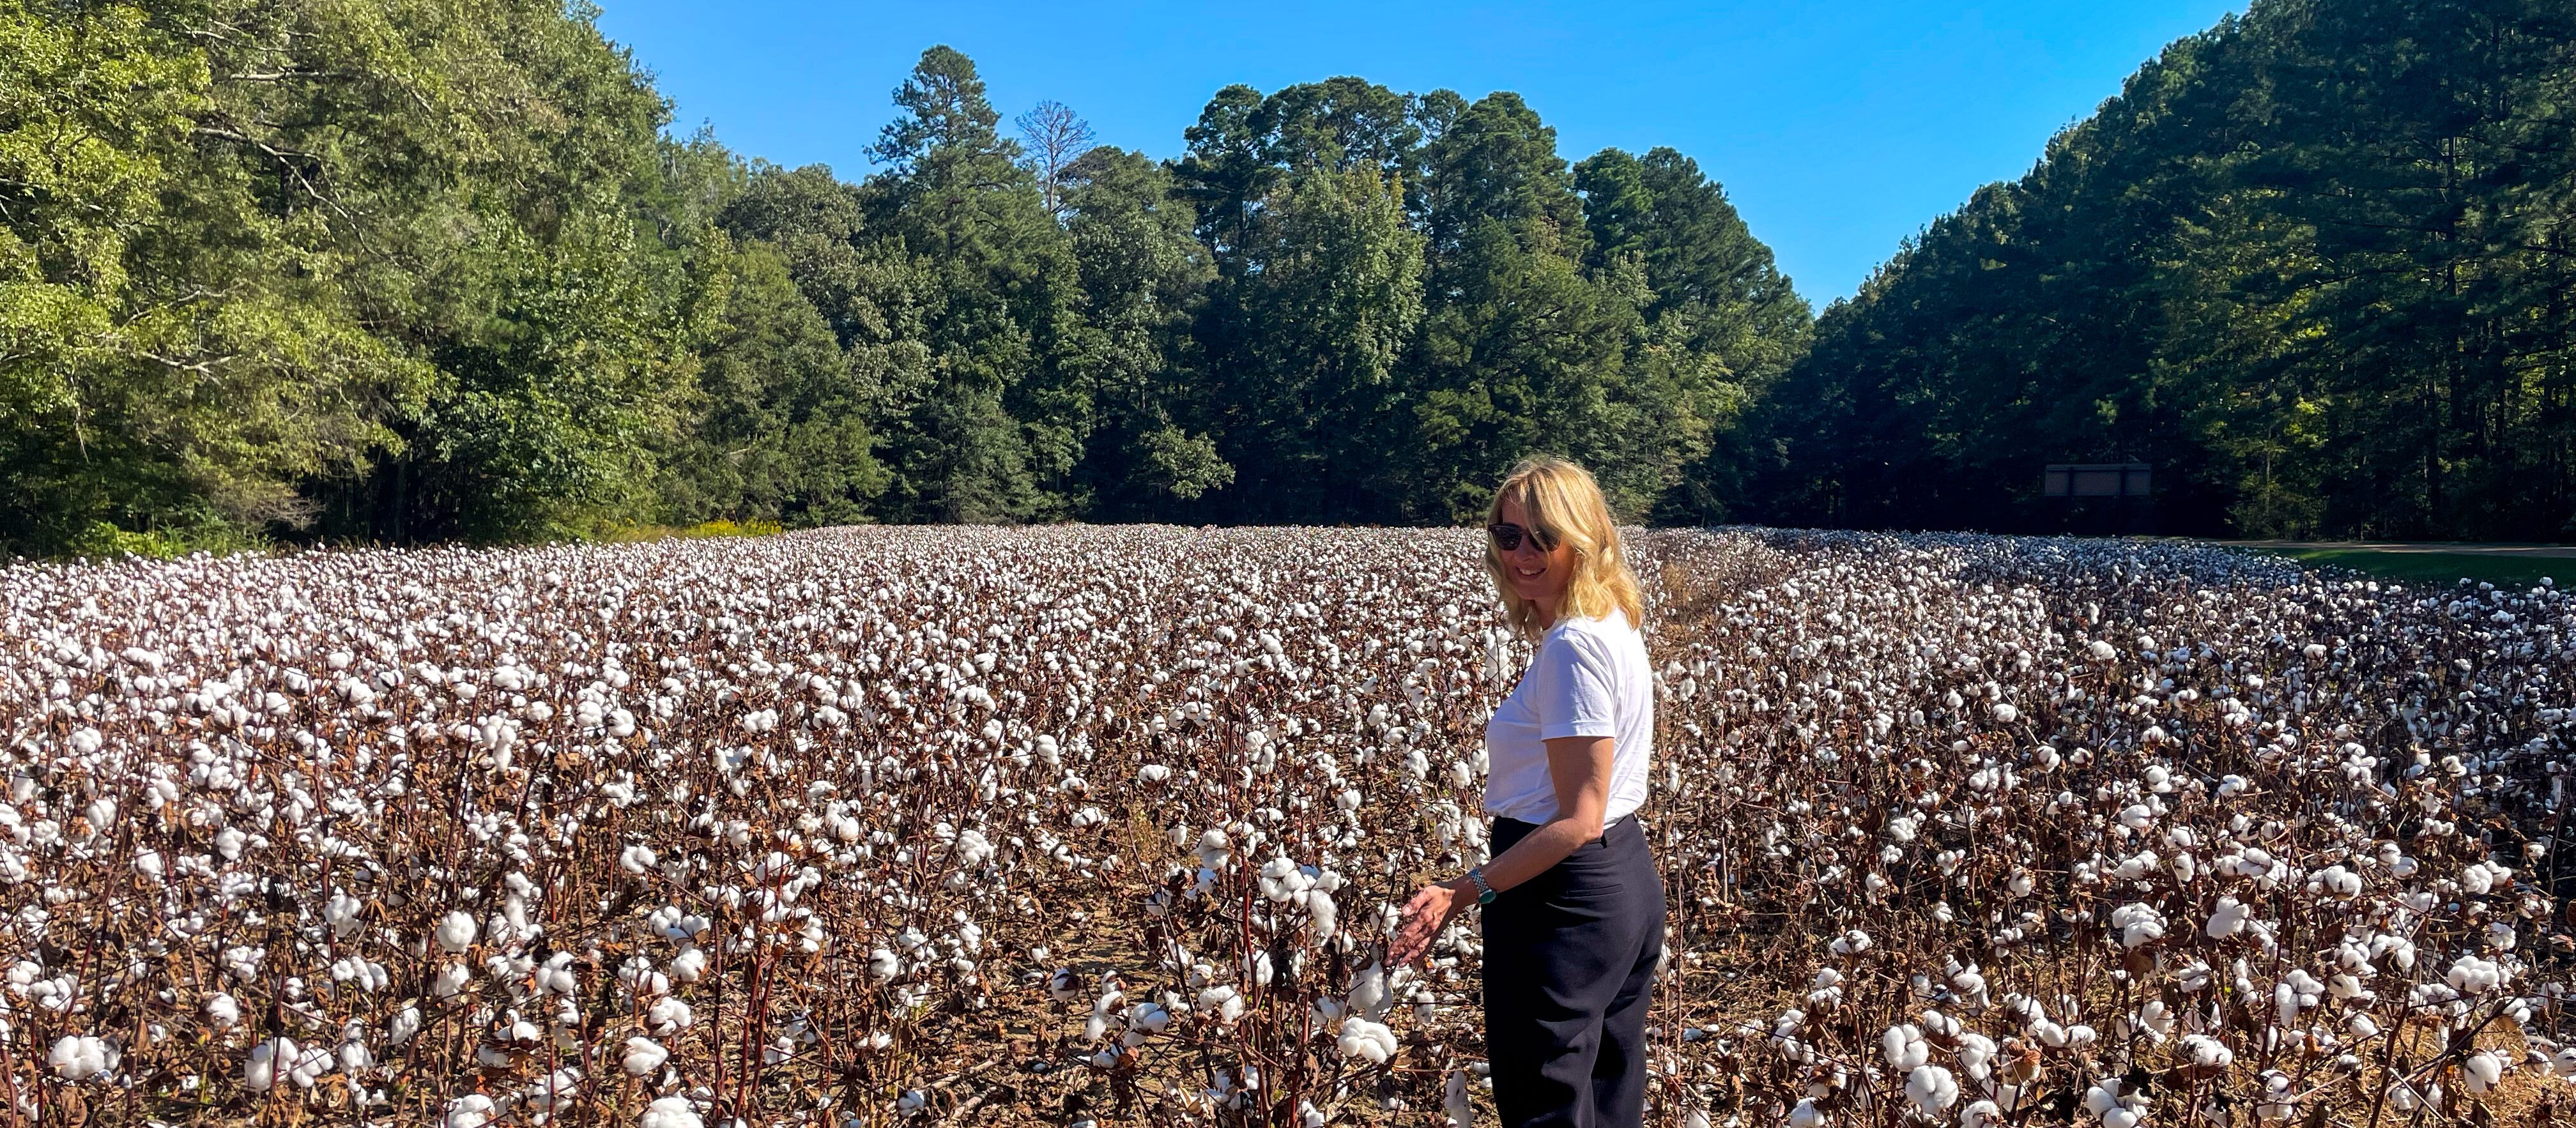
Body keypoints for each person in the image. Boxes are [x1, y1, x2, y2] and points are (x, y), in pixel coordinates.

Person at [1389, 456, 1666, 1127]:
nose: (1522, 553)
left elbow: (1577, 817)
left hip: (1562, 900)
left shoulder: (1573, 645)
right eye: (1506, 535)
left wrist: (1462, 891)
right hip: (1620, 879)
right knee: (1606, 1095)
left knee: (1547, 1103)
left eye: (1544, 535)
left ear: (1586, 537)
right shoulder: (1612, 620)